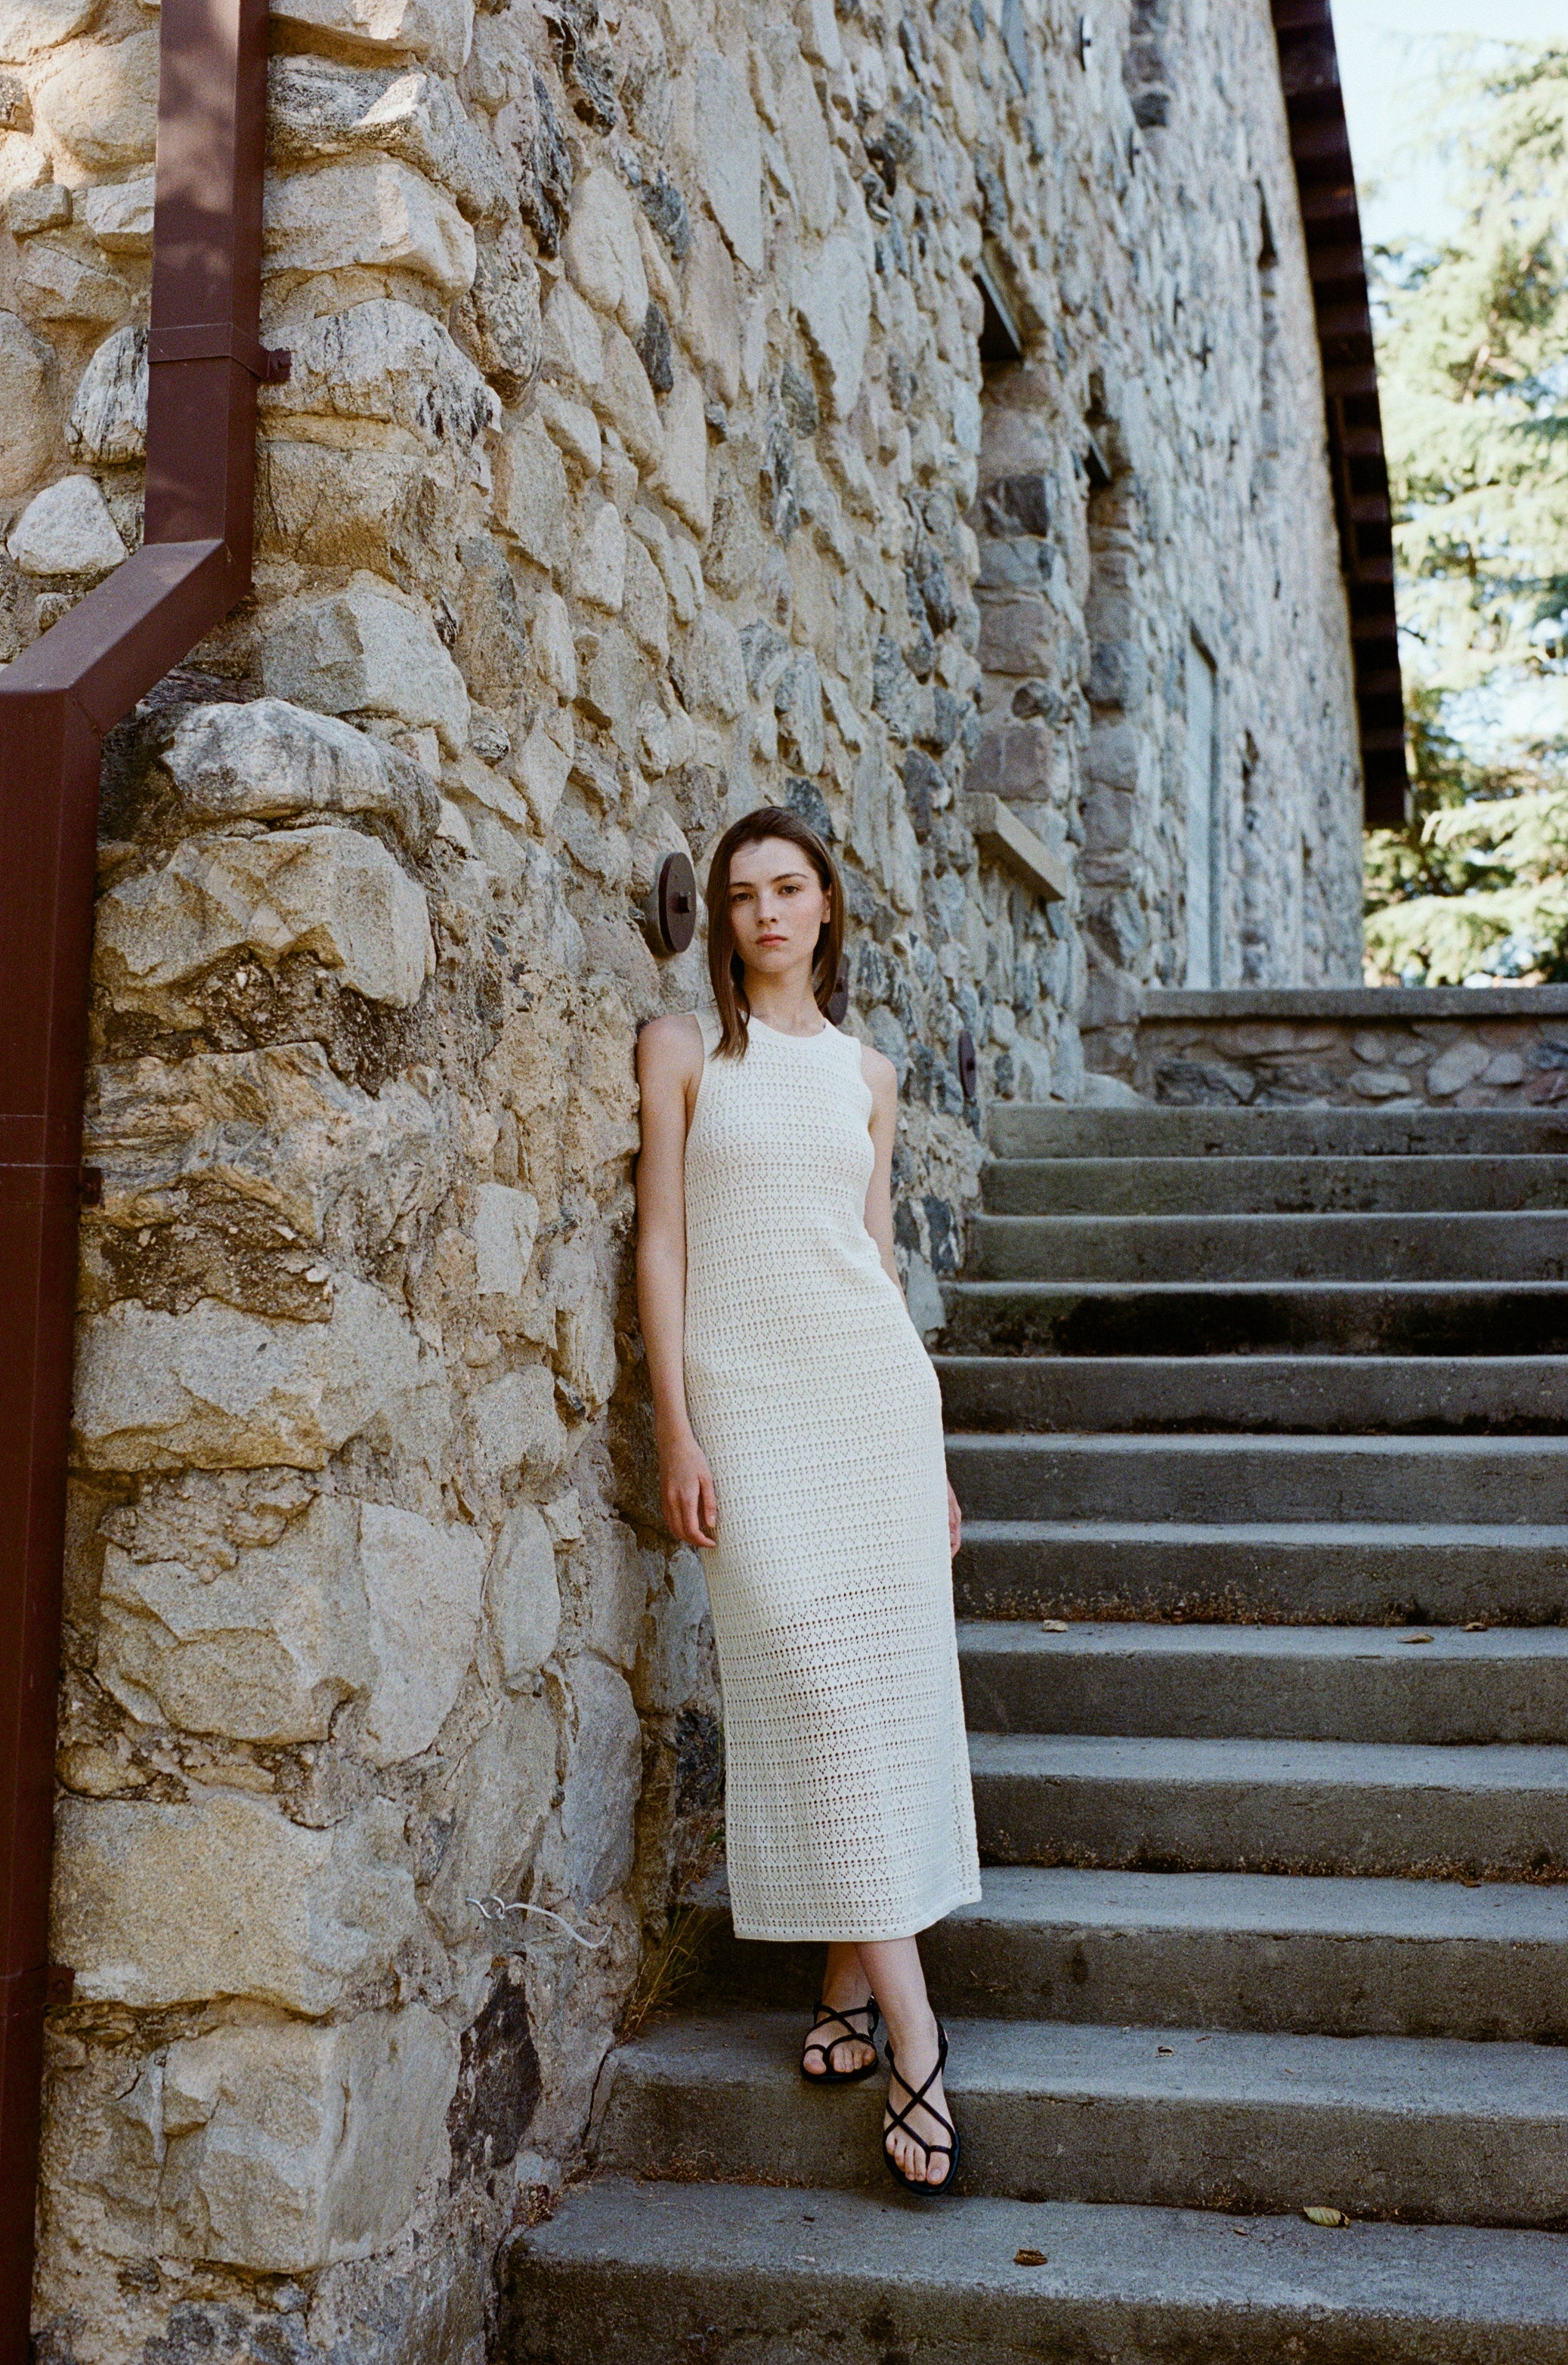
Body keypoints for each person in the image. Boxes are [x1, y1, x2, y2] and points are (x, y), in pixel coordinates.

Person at [636, 804, 982, 2196]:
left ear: (827, 908)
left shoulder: (869, 1074)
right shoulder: (681, 1051)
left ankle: (854, 1981)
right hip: (749, 1411)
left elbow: (875, 1263)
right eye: (741, 894)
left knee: (876, 1699)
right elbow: (660, 1238)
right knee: (817, 1686)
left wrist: (936, 1454)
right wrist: (675, 1422)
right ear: (720, 919)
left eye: (789, 888)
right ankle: (917, 2027)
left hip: (873, 1407)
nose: (766, 912)